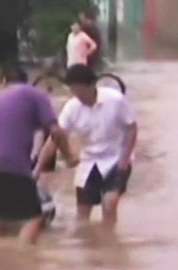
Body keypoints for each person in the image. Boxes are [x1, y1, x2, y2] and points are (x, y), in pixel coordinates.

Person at [0, 64, 76, 244]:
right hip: (13, 166)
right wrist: (69, 156)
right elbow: (55, 131)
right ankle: (24, 260)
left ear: (3, 81)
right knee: (35, 218)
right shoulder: (35, 94)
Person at [36, 64, 137, 230]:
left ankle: (109, 241)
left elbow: (132, 128)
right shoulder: (72, 107)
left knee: (109, 203)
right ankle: (87, 247)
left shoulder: (115, 100)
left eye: (81, 91)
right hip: (89, 162)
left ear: (92, 85)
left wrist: (124, 161)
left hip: (116, 158)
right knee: (82, 214)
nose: (78, 96)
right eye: (74, 91)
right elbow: (55, 139)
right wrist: (38, 169)